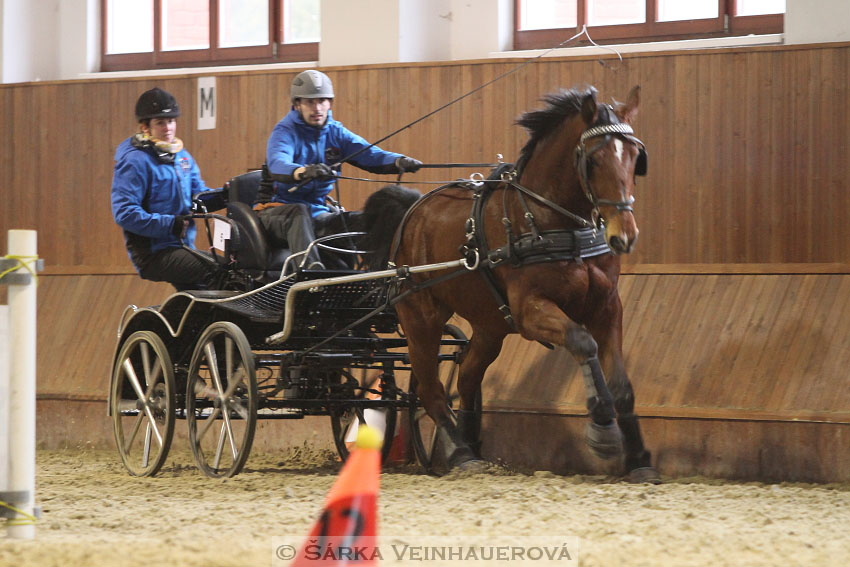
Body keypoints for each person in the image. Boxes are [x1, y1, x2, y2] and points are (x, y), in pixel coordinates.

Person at [256, 69, 422, 269]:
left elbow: (370, 154)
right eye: (310, 102)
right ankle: (310, 273)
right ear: (297, 104)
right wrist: (303, 171)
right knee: (298, 213)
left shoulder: (336, 132)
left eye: (322, 101)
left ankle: (377, 273)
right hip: (277, 211)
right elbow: (278, 163)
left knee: (365, 222)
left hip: (318, 212)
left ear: (330, 103)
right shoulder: (284, 131)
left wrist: (399, 161)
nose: (317, 107)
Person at [111, 87, 224, 290]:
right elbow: (125, 213)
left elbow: (198, 197)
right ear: (145, 127)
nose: (168, 128)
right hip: (154, 252)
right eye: (160, 123)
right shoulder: (135, 161)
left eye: (171, 121)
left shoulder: (182, 157)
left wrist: (225, 195)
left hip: (182, 246)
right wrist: (170, 224)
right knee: (219, 271)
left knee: (205, 291)